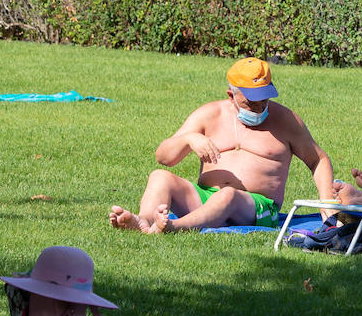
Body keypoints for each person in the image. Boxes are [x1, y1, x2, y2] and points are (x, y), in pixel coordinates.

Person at [109, 57, 337, 233]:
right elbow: (164, 157)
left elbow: (318, 159)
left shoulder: (286, 120)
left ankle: (174, 228)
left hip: (258, 207)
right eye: (250, 102)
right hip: (206, 196)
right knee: (160, 176)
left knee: (228, 195)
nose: (259, 107)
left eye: (264, 99)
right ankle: (145, 221)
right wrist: (189, 139)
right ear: (231, 95)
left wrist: (327, 204)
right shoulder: (210, 114)